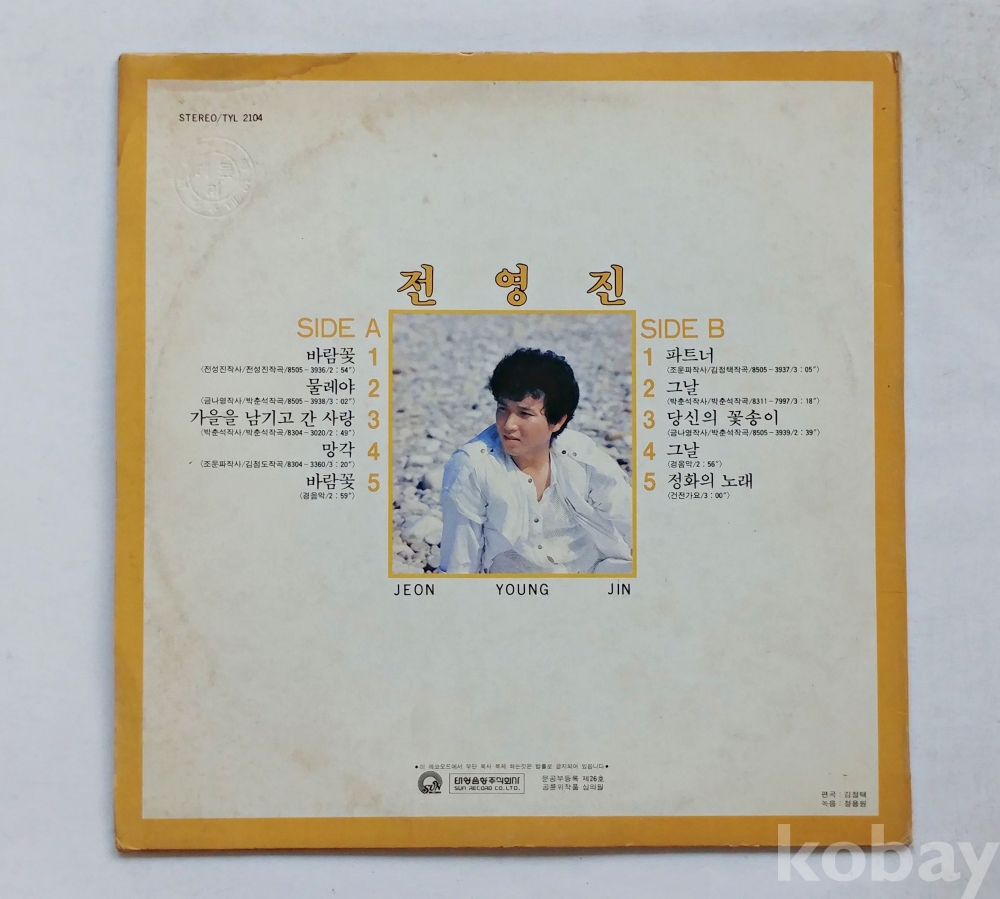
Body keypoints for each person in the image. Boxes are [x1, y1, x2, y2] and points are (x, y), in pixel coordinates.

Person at [439, 348, 633, 574]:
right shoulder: (473, 467)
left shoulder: (580, 455)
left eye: (524, 414)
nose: (508, 424)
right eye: (503, 409)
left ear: (557, 422)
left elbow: (631, 520)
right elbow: (459, 565)